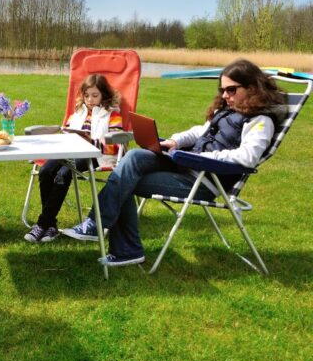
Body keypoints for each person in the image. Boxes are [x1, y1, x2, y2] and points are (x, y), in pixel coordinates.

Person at [62, 59, 286, 267]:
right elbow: (201, 131)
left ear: (252, 88)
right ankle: (108, 234)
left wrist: (199, 158)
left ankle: (114, 239)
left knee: (124, 179)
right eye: (222, 90)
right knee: (133, 158)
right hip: (188, 165)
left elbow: (247, 157)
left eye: (231, 90)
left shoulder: (260, 120)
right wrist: (175, 141)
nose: (225, 95)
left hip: (205, 181)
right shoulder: (228, 110)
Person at [24, 74, 123, 243]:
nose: (90, 100)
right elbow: (66, 133)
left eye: (95, 95)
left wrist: (91, 141)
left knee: (64, 173)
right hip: (70, 151)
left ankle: (42, 224)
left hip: (96, 155)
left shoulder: (112, 115)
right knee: (45, 171)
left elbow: (114, 143)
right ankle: (51, 226)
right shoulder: (77, 113)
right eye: (86, 95)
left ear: (104, 96)